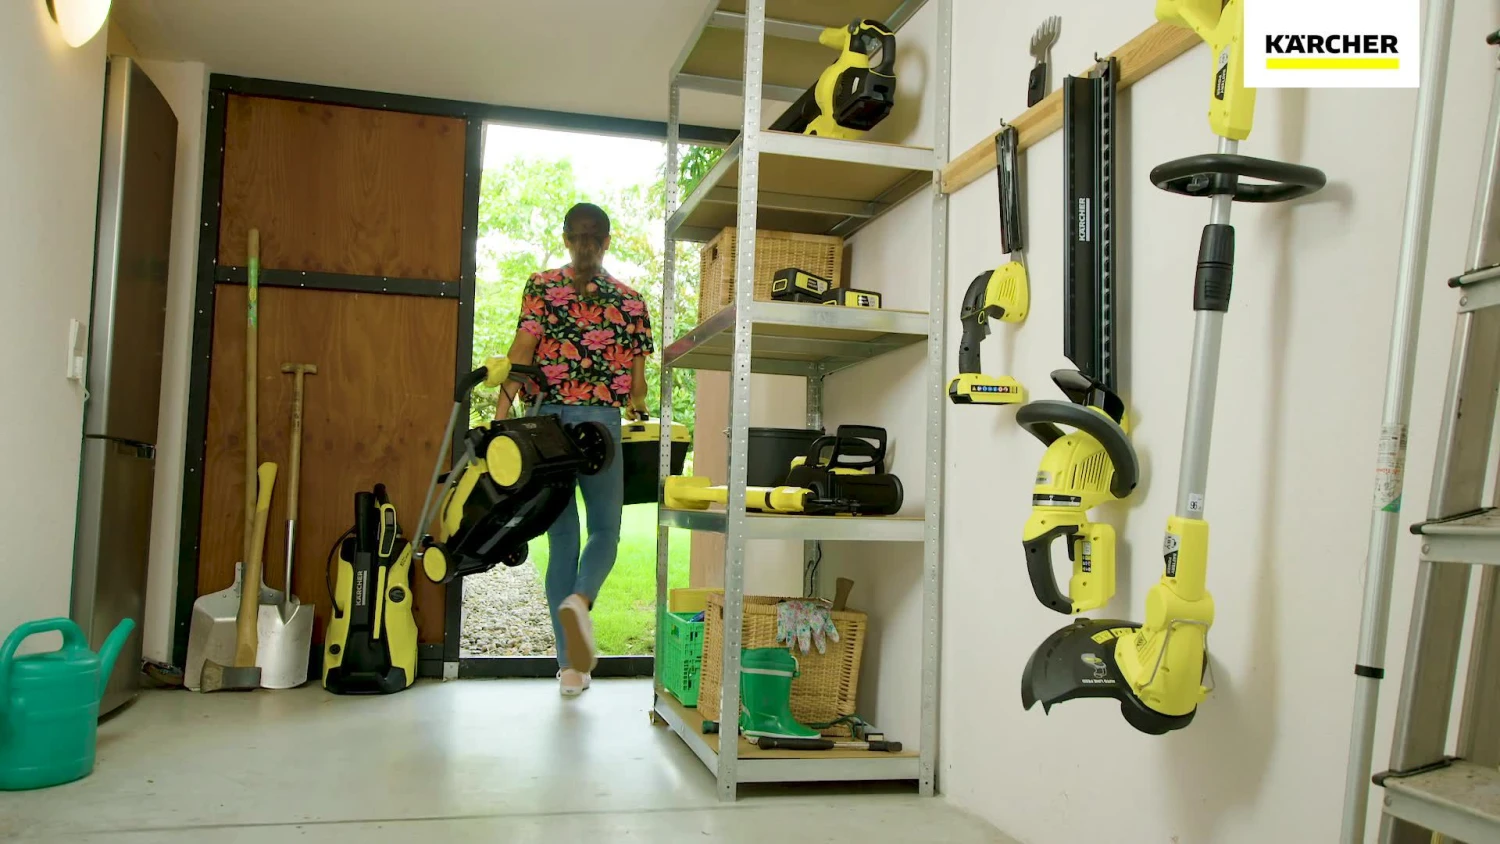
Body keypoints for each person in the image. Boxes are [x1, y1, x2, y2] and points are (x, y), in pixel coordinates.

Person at [494, 202, 653, 697]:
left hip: (546, 427)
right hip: (600, 426)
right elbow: (638, 389)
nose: (585, 244)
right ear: (604, 241)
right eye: (588, 237)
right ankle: (581, 600)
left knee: (562, 539)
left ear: (571, 239)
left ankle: (569, 668)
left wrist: (501, 417)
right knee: (605, 530)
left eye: (583, 237)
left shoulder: (541, 287)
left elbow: (521, 355)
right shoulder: (631, 301)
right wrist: (638, 408)